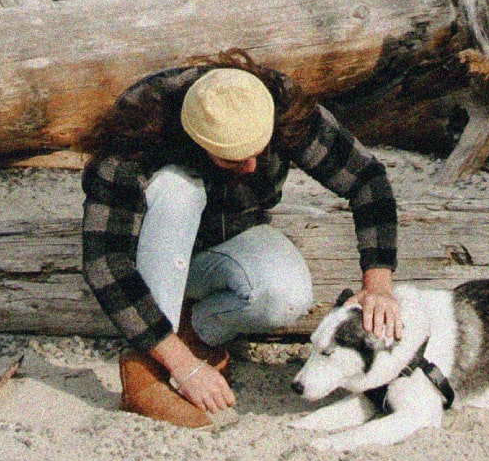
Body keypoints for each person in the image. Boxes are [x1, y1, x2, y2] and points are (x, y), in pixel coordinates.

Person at [75, 49, 401, 429]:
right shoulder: (137, 126)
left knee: (287, 293)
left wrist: (378, 283)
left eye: (257, 153)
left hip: (228, 238)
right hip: (154, 246)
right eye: (233, 160)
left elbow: (367, 180)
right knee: (178, 191)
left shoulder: (273, 103)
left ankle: (191, 334)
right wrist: (184, 369)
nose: (250, 167)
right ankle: (148, 370)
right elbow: (104, 261)